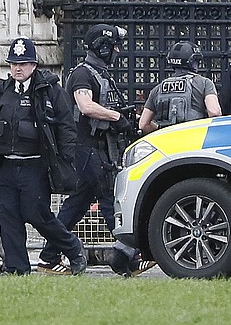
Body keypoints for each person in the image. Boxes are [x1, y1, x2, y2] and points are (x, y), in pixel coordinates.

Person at [37, 24, 148, 276]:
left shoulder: (101, 73)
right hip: (84, 149)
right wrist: (116, 116)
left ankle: (48, 256)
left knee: (77, 205)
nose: (118, 52)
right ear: (103, 47)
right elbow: (85, 106)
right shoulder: (83, 74)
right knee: (108, 198)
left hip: (96, 148)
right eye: (115, 47)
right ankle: (127, 258)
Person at [0, 37, 87, 276]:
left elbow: (66, 127)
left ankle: (73, 248)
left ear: (34, 65)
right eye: (14, 63)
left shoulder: (49, 90)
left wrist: (65, 160)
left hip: (34, 164)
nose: (18, 68)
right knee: (8, 217)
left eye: (23, 63)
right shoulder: (2, 90)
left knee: (37, 214)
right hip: (7, 164)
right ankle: (18, 269)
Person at [139, 41, 221, 134]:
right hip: (195, 140)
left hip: (166, 142)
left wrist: (160, 129)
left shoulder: (158, 89)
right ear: (192, 62)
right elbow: (214, 112)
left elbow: (143, 124)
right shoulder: (204, 83)